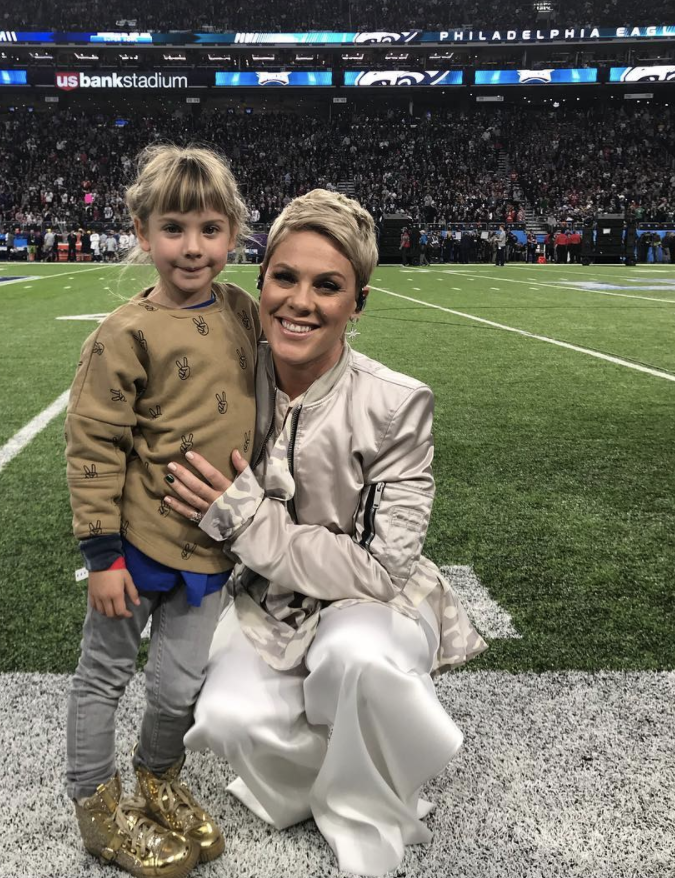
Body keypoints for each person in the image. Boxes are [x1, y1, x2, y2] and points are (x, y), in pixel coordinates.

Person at [162, 189, 488, 878]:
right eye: (285, 277)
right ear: (261, 283)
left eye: (328, 286)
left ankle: (368, 822)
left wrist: (249, 520)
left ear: (358, 303)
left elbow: (380, 572)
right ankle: (326, 771)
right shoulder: (229, 381)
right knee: (223, 718)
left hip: (374, 607)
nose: (300, 301)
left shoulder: (398, 403)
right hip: (270, 604)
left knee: (355, 659)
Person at [64, 144, 261, 878]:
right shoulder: (125, 333)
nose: (193, 247)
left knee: (180, 685)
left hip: (209, 551)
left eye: (211, 229)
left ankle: (156, 777)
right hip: (137, 546)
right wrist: (102, 557)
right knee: (104, 676)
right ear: (142, 234)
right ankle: (96, 805)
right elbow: (93, 444)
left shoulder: (242, 310)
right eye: (174, 228)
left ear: (234, 236)